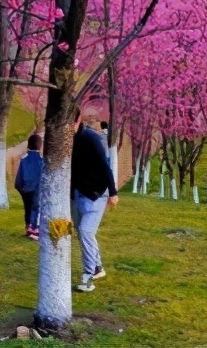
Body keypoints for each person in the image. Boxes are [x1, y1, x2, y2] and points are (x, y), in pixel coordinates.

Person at [71, 112, 117, 293]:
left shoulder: (91, 139)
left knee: (86, 231)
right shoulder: (65, 140)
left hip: (97, 193)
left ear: (77, 120)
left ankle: (88, 276)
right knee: (82, 233)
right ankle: (97, 267)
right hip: (79, 193)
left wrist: (113, 193)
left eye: (69, 124)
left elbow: (105, 166)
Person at [14, 132, 44, 239]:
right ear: (40, 146)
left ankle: (28, 228)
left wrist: (19, 187)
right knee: (36, 208)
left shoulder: (24, 159)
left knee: (27, 208)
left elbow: (19, 175)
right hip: (37, 188)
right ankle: (35, 230)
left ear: (28, 145)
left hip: (26, 189)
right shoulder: (41, 160)